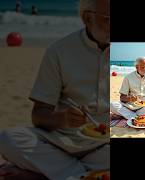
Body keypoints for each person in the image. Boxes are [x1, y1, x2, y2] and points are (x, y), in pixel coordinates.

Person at [0, 0, 110, 179]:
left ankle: (45, 175)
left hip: (104, 148)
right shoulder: (59, 51)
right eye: (108, 19)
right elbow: (38, 115)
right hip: (60, 142)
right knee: (8, 139)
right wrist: (63, 118)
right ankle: (84, 175)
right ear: (88, 19)